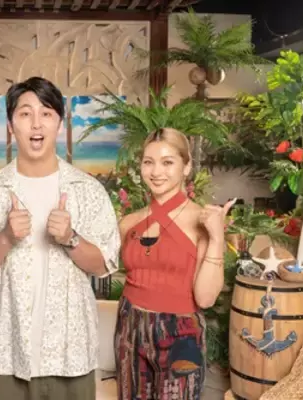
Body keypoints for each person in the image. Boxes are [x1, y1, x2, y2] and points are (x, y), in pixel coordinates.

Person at [0, 76, 120, 400]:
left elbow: (104, 265)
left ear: (60, 123)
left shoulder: (87, 191)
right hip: (7, 355)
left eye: (46, 113)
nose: (36, 123)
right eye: (25, 113)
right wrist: (5, 237)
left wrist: (71, 238)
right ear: (10, 125)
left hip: (71, 356)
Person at [114, 127, 234, 400]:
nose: (156, 172)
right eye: (149, 162)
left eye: (167, 162)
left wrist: (217, 237)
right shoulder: (128, 223)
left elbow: (205, 298)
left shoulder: (202, 222)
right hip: (129, 325)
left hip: (181, 334)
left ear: (186, 167)